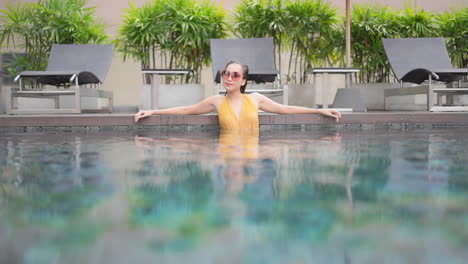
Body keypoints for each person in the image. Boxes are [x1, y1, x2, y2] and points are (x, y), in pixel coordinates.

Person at [134, 61, 342, 129]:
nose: (229, 78)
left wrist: (319, 110)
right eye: (226, 73)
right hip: (227, 153)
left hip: (252, 154)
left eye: (235, 75)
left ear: (243, 81)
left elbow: (286, 109)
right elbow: (187, 110)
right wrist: (153, 110)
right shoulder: (216, 101)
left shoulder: (256, 99)